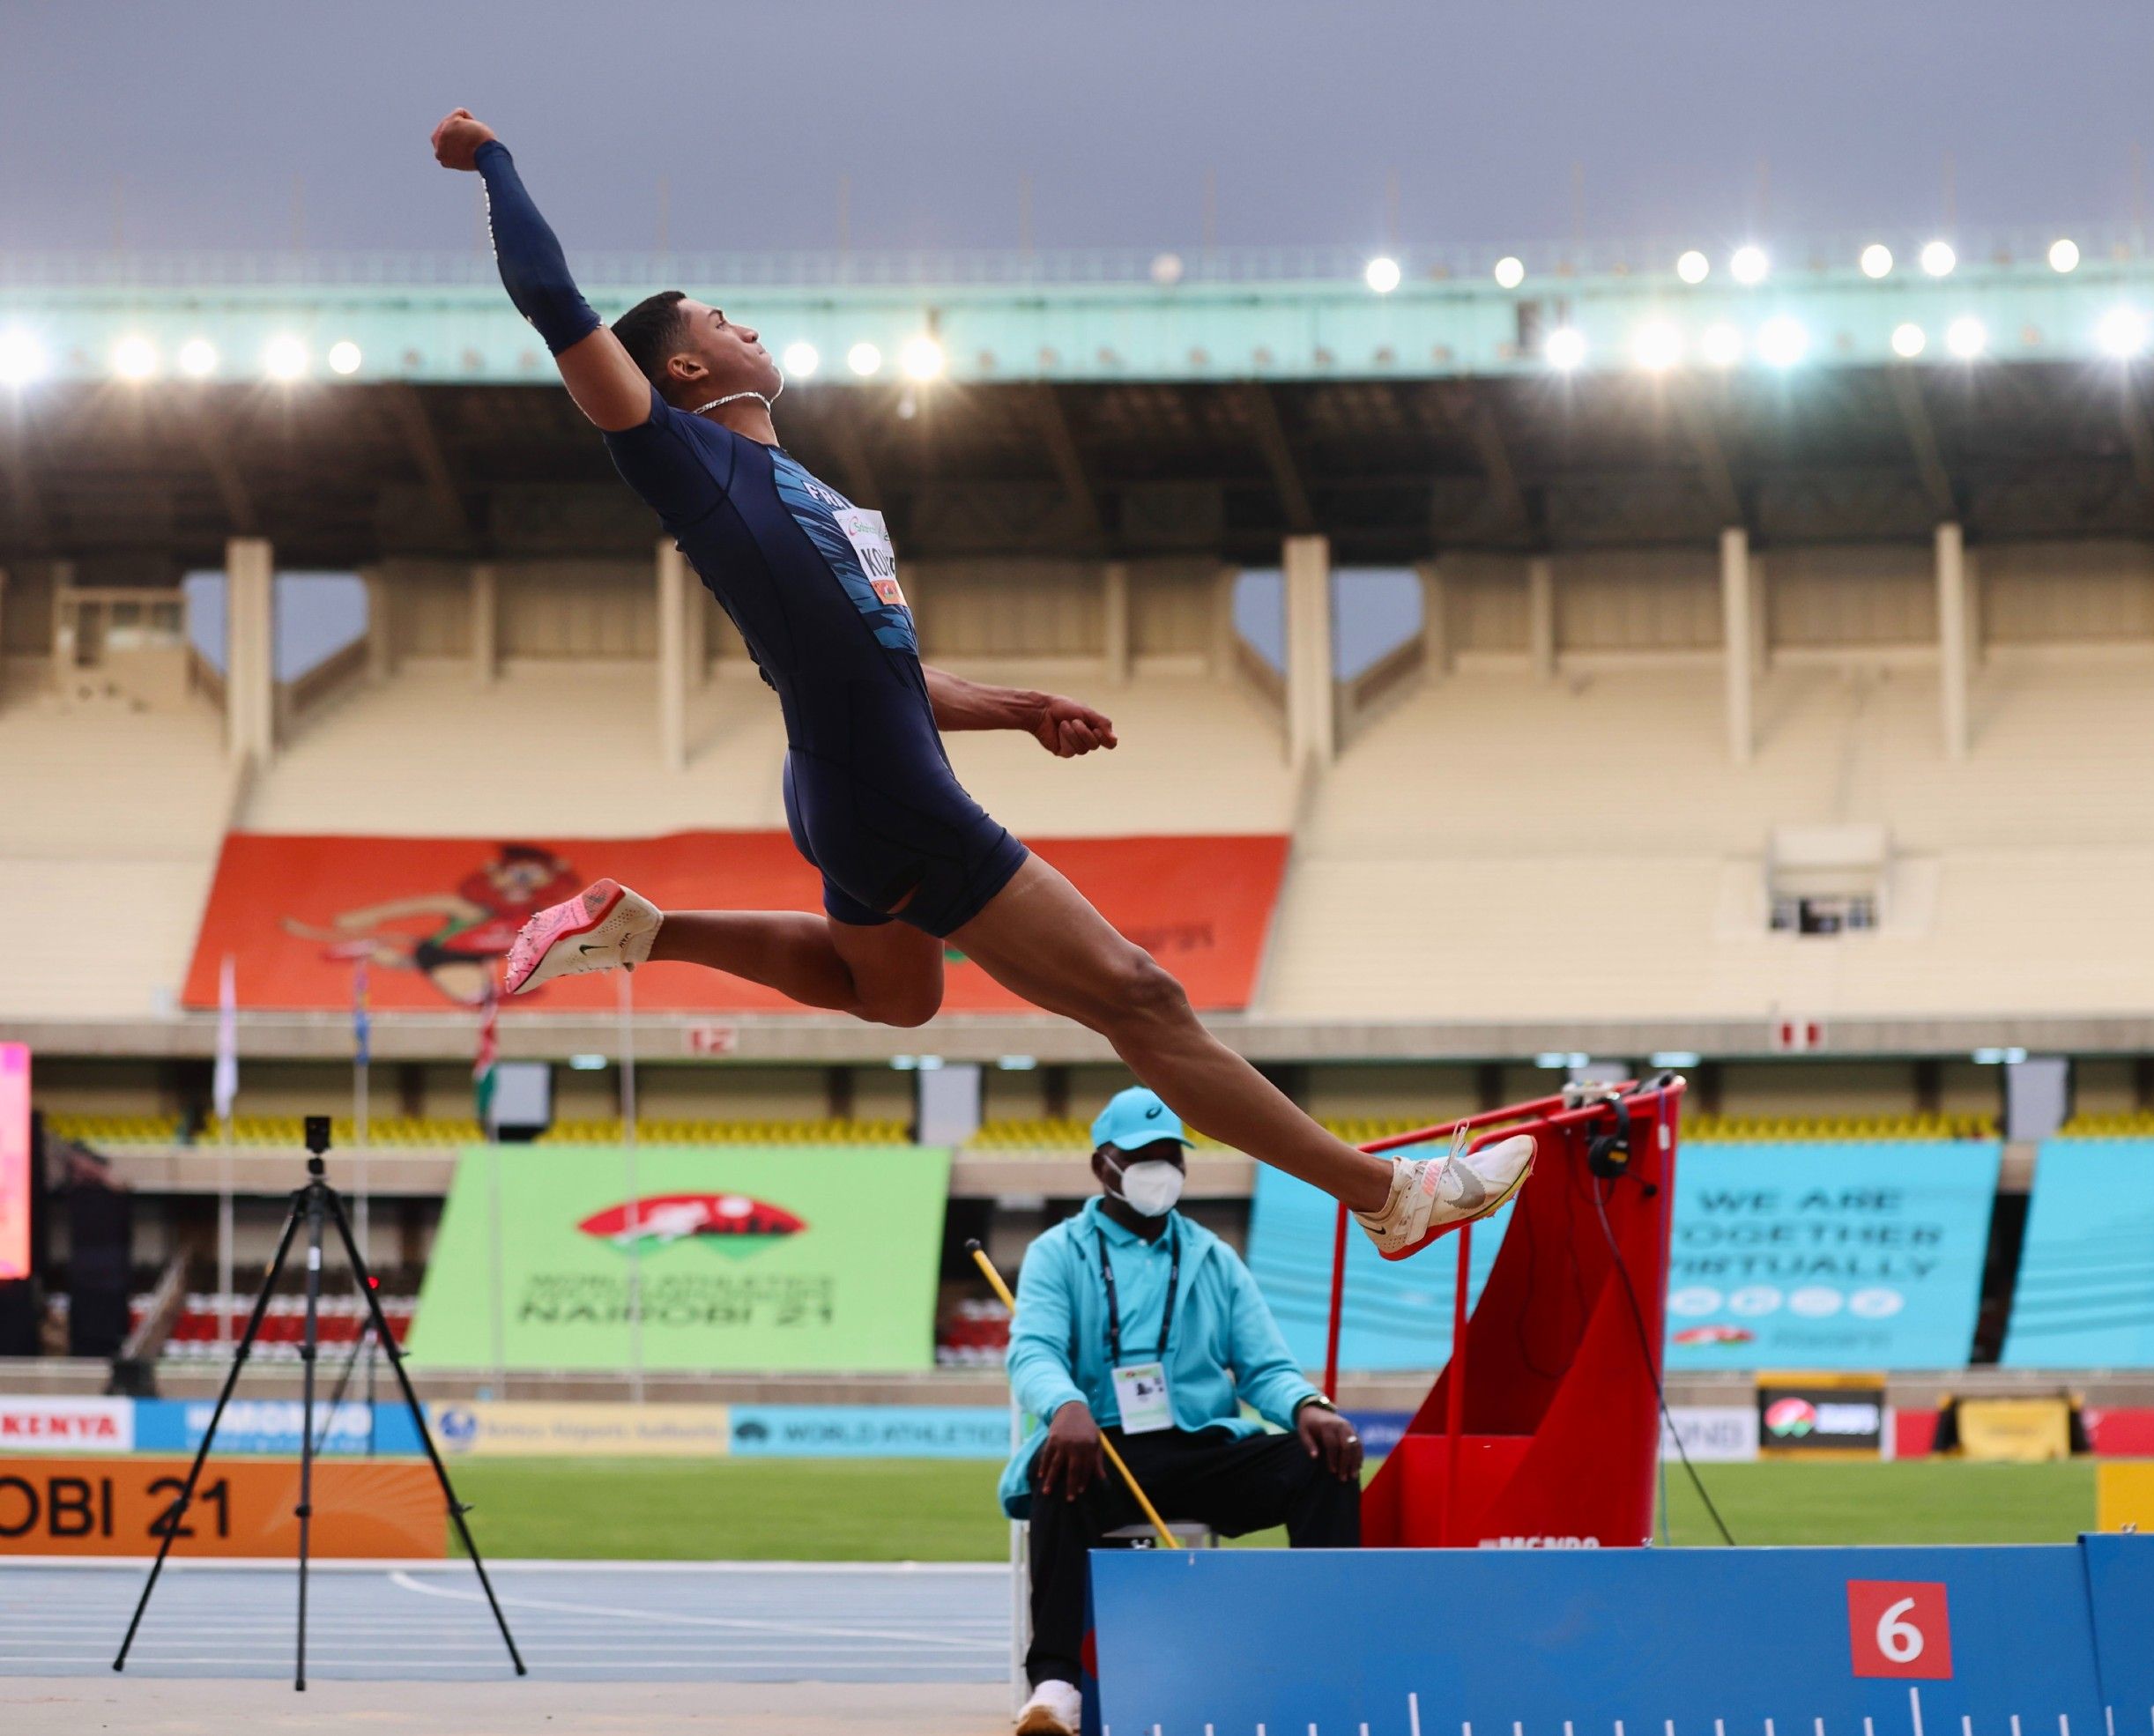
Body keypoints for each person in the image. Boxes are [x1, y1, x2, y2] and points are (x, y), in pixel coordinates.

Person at [426, 109, 1531, 1258]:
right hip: (884, 784)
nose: (744, 323)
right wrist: (494, 162)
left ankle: (646, 928)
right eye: (718, 318)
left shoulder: (800, 489)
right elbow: (557, 304)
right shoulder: (680, 453)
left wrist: (1015, 707)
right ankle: (1390, 1199)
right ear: (687, 366)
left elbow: (879, 664)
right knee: (1141, 998)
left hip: (855, 772)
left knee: (897, 995)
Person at [1000, 1088, 1364, 1735]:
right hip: (1102, 1448)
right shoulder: (1057, 1252)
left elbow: (1266, 1368)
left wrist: (1307, 1405)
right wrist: (1066, 1406)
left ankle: (1328, 1652)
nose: (1158, 1171)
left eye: (1170, 1157)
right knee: (1056, 1471)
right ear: (1101, 1167)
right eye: (1140, 1157)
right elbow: (1034, 1351)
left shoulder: (1214, 1258)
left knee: (1323, 1462)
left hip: (1203, 1447)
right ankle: (1057, 1685)